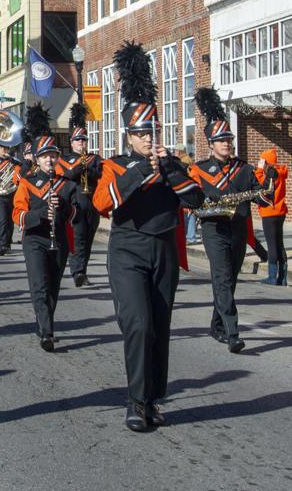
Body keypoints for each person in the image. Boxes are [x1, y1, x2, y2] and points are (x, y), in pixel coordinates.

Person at [94, 42, 204, 432]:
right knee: (137, 323)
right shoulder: (116, 164)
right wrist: (141, 170)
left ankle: (154, 397)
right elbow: (102, 202)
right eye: (139, 133)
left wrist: (170, 170)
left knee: (160, 324)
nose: (146, 138)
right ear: (129, 134)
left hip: (163, 250)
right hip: (127, 249)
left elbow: (198, 200)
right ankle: (136, 401)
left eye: (150, 131)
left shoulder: (173, 163)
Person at [188, 87, 269, 354]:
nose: (227, 144)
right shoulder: (199, 169)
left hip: (237, 229)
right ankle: (233, 332)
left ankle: (217, 325)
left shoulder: (243, 168)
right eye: (222, 141)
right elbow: (191, 198)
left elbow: (259, 194)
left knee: (230, 280)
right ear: (211, 144)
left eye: (229, 140)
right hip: (214, 229)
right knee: (222, 278)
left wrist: (266, 190)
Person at [12, 108, 77, 352]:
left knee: (53, 286)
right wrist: (40, 214)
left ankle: (44, 323)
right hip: (35, 239)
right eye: (45, 156)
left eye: (53, 155)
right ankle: (47, 332)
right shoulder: (27, 183)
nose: (49, 160)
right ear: (36, 159)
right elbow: (17, 214)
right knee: (39, 285)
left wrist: (64, 208)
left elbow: (76, 215)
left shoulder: (66, 185)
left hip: (58, 239)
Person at [59, 103, 102, 287]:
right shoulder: (65, 159)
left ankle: (82, 270)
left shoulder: (94, 158)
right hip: (75, 203)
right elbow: (66, 174)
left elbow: (100, 174)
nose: (81, 143)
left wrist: (90, 170)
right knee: (78, 238)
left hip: (92, 202)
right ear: (72, 142)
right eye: (78, 141)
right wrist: (81, 167)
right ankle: (77, 272)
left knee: (89, 239)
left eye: (84, 140)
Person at [255, 149, 289, 285]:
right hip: (280, 211)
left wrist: (259, 168)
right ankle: (283, 276)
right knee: (279, 243)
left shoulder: (269, 173)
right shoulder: (281, 172)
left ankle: (272, 276)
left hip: (269, 211)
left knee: (272, 244)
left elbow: (259, 182)